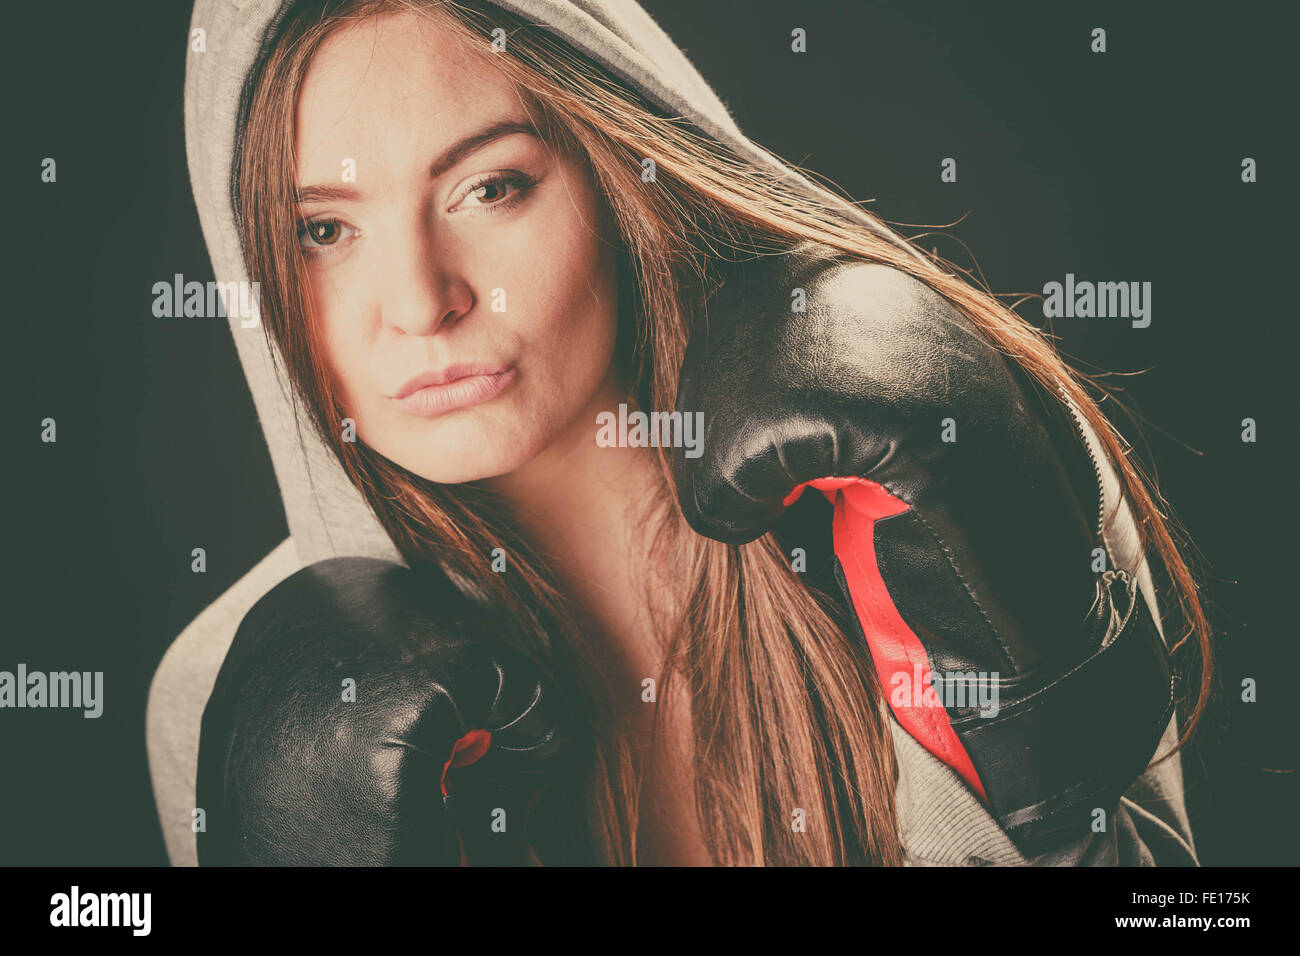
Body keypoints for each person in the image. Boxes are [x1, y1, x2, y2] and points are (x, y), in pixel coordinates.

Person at [190, 0, 1208, 866]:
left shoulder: (935, 458)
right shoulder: (230, 704)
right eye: (321, 231)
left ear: (613, 173)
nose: (419, 302)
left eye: (489, 187)